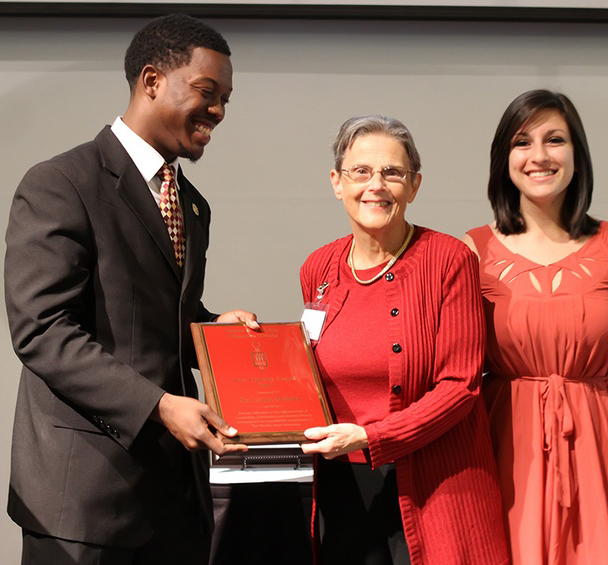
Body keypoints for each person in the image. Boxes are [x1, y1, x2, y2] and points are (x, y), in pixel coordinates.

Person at [4, 13, 259, 565]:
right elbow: (42, 330)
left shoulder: (192, 204)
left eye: (226, 100)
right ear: (151, 82)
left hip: (173, 501)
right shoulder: (60, 183)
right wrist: (160, 405)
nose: (217, 111)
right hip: (83, 501)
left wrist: (213, 332)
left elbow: (158, 318)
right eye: (207, 92)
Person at [299, 115, 509, 565]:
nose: (376, 185)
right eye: (361, 171)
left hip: (432, 486)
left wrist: (369, 437)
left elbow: (460, 387)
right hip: (341, 487)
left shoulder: (449, 260)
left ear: (414, 186)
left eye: (392, 173)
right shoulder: (318, 267)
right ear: (337, 182)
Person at [463, 89, 608, 565]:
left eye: (555, 140)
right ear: (503, 158)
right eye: (522, 142)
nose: (539, 156)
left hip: (597, 451)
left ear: (577, 154)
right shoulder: (471, 251)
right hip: (504, 454)